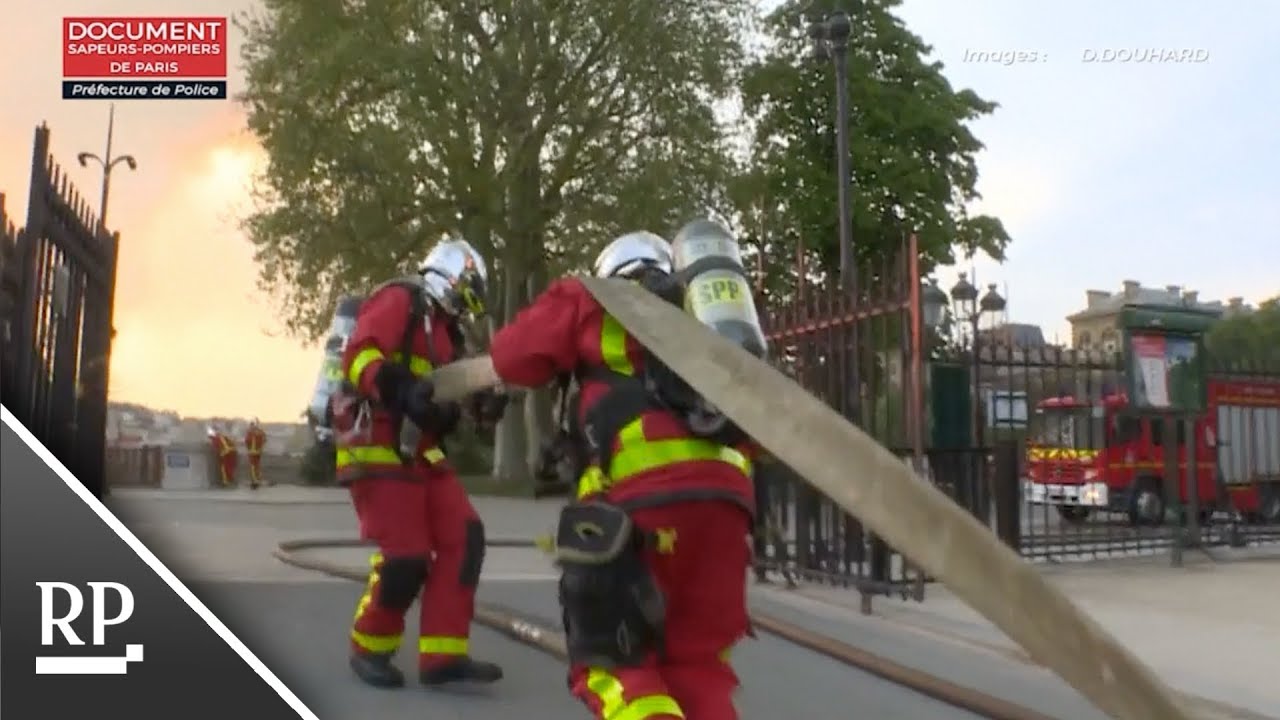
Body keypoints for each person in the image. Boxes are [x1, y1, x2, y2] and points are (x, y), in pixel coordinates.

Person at [489, 230, 755, 720]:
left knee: (610, 664)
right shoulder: (701, 318)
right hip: (729, 507)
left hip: (641, 508)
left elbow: (511, 357)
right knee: (698, 668)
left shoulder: (589, 298)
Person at [331, 238, 507, 689]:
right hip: (379, 448)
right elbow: (359, 357)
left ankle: (442, 657)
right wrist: (400, 387)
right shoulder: (401, 299)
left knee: (464, 536)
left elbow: (440, 392)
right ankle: (368, 648)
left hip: (421, 451)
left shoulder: (446, 331)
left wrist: (477, 405)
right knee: (406, 557)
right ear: (457, 278)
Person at [244, 418, 267, 489]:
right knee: (255, 467)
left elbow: (247, 441)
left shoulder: (252, 432)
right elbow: (264, 439)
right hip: (255, 452)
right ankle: (255, 481)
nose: (252, 426)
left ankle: (255, 481)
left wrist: (260, 447)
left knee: (254, 467)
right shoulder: (258, 432)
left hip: (254, 452)